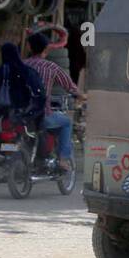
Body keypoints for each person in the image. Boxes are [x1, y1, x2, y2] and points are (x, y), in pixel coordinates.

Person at [21, 31, 86, 173]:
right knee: (66, 122)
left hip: (20, 115)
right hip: (41, 115)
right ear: (46, 49)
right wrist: (83, 96)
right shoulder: (51, 67)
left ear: (30, 49)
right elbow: (71, 87)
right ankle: (63, 160)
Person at [0, 42, 43, 154]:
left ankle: (0, 150)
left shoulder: (1, 70)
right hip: (21, 112)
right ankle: (36, 154)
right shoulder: (26, 71)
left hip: (2, 112)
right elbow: (38, 94)